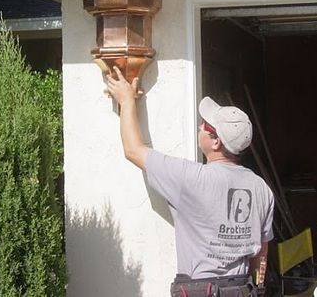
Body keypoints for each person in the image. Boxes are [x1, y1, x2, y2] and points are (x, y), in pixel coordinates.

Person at [106, 67, 274, 297]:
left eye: (205, 125)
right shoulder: (261, 188)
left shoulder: (191, 179)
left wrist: (126, 101)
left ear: (215, 142)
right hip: (241, 289)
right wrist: (258, 288)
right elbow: (261, 253)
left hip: (200, 290)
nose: (199, 127)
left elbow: (133, 150)